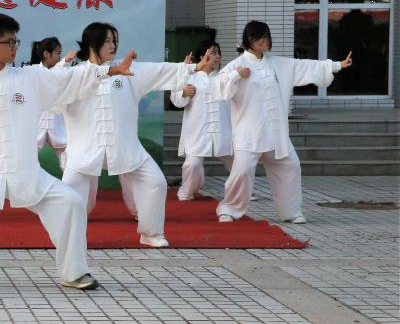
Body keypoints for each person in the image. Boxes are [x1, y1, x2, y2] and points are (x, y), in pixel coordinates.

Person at [0, 13, 136, 292]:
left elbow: (69, 78)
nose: (15, 47)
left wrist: (109, 71)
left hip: (27, 174)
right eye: (10, 42)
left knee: (70, 203)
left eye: (15, 41)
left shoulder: (30, 77)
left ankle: (74, 272)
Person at [58, 22, 211, 248]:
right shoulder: (76, 75)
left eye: (115, 40)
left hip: (126, 147)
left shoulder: (129, 70)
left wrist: (195, 67)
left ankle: (151, 233)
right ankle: (69, 240)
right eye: (107, 41)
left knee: (156, 182)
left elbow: (159, 71)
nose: (113, 45)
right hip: (84, 150)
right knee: (70, 193)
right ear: (92, 44)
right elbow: (52, 91)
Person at [212, 20, 353, 223]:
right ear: (249, 40)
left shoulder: (278, 64)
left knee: (290, 166)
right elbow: (218, 89)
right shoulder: (236, 65)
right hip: (249, 132)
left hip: (275, 132)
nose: (264, 42)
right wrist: (236, 75)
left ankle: (291, 212)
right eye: (259, 38)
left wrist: (336, 65)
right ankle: (229, 210)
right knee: (242, 170)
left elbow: (304, 66)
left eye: (266, 37)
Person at [170, 39, 232, 200]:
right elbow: (175, 100)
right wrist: (183, 93)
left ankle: (243, 190)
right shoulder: (191, 77)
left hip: (223, 129)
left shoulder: (225, 77)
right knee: (193, 164)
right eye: (213, 53)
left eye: (218, 53)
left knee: (238, 162)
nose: (217, 57)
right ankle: (187, 191)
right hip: (197, 130)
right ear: (202, 57)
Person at [25, 37, 77, 167]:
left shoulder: (63, 71)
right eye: (58, 53)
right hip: (37, 126)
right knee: (25, 161)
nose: (60, 56)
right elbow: (48, 76)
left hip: (58, 125)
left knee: (69, 166)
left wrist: (65, 62)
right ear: (46, 54)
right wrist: (65, 60)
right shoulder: (33, 71)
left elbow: (57, 74)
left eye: (61, 53)